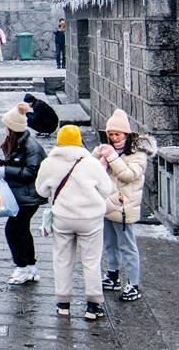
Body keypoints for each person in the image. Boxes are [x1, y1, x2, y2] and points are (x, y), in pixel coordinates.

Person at [36, 125, 115, 321]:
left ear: (59, 141)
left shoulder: (48, 163)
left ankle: (63, 304)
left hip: (63, 218)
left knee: (62, 259)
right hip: (90, 219)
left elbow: (41, 191)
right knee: (91, 261)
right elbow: (107, 189)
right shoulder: (90, 162)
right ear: (79, 141)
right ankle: (93, 305)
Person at [93, 109, 156, 303]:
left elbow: (129, 175)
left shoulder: (138, 153)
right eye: (110, 134)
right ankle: (113, 275)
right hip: (106, 203)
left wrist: (112, 158)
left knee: (128, 246)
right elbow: (93, 172)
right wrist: (97, 157)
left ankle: (133, 284)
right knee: (110, 243)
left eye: (117, 134)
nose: (113, 137)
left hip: (123, 207)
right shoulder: (107, 150)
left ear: (126, 134)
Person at [0, 103, 47, 284]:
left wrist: (5, 171)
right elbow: (17, 166)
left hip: (29, 197)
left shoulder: (31, 147)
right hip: (21, 195)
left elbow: (30, 172)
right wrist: (2, 164)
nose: (4, 130)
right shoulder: (18, 143)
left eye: (6, 127)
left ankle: (22, 267)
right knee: (21, 230)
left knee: (13, 230)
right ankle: (29, 266)